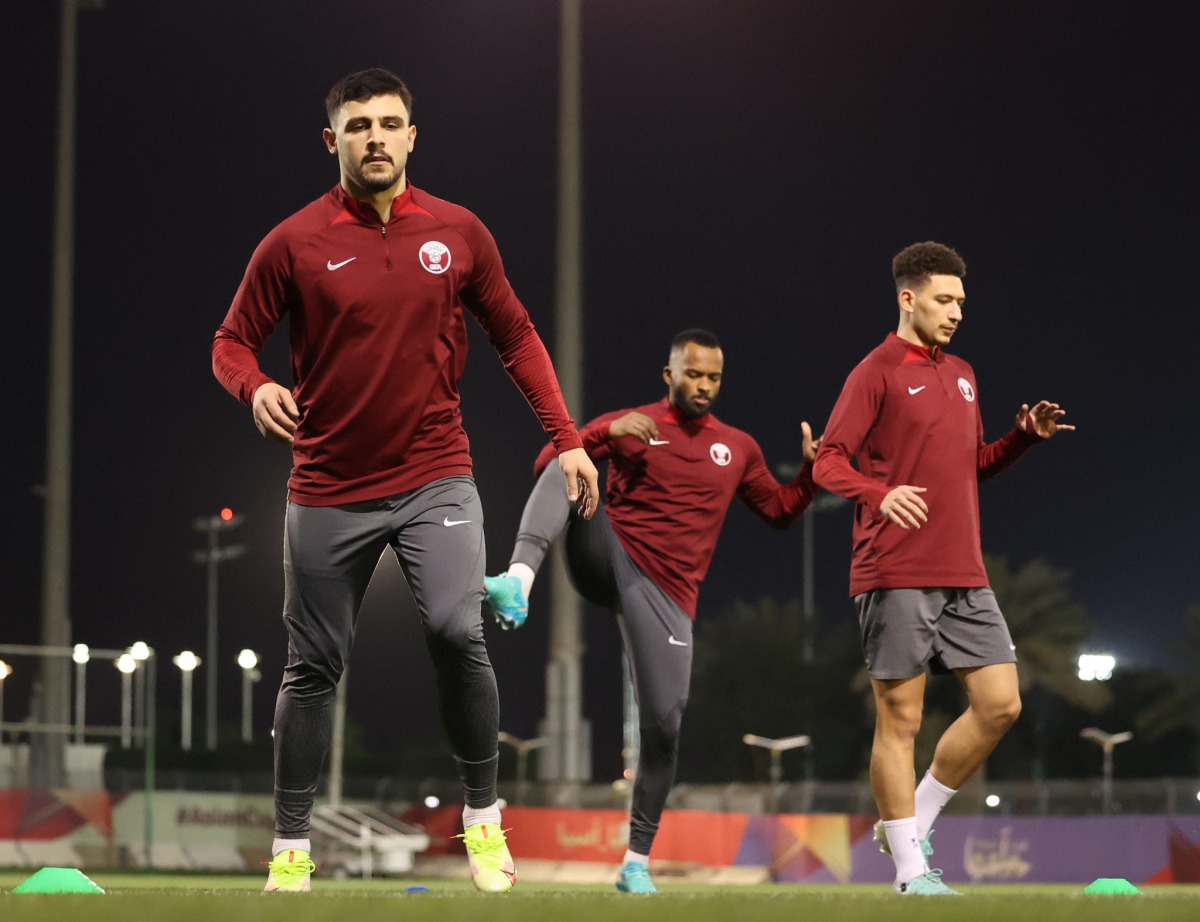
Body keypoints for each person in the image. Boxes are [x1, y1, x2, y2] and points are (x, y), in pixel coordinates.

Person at [211, 67, 599, 894]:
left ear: (413, 137)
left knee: (461, 634)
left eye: (390, 124)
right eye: (359, 127)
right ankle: (291, 846)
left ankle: (485, 824)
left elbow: (518, 335)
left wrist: (566, 437)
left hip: (436, 477)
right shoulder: (293, 242)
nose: (376, 138)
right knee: (311, 668)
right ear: (333, 141)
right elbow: (230, 343)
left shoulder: (459, 233)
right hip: (326, 486)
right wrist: (257, 388)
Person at [483, 329, 821, 894]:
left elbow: (781, 511)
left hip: (667, 596)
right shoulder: (634, 424)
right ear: (670, 375)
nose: (704, 385)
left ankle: (635, 862)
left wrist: (810, 476)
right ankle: (517, 580)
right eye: (694, 374)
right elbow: (548, 461)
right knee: (571, 462)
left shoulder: (737, 447)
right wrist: (600, 434)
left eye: (713, 377)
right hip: (608, 553)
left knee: (665, 726)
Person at [812, 242, 1074, 896]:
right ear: (908, 298)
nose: (956, 311)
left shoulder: (962, 373)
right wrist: (880, 493)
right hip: (893, 568)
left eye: (960, 300)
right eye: (943, 299)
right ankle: (909, 871)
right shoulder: (873, 372)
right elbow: (828, 462)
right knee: (900, 720)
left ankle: (913, 820)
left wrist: (1020, 441)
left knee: (1001, 704)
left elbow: (970, 466)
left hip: (965, 570)